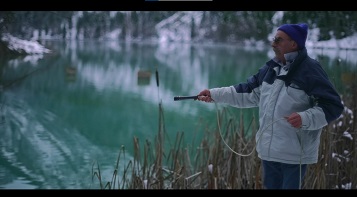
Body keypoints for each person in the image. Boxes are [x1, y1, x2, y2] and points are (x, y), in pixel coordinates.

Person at [196, 23, 344, 189]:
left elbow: (333, 105)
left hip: (294, 156)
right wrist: (214, 94)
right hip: (269, 153)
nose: (273, 43)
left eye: (278, 40)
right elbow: (248, 91)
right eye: (274, 39)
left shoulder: (310, 69)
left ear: (293, 43)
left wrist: (305, 118)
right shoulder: (270, 68)